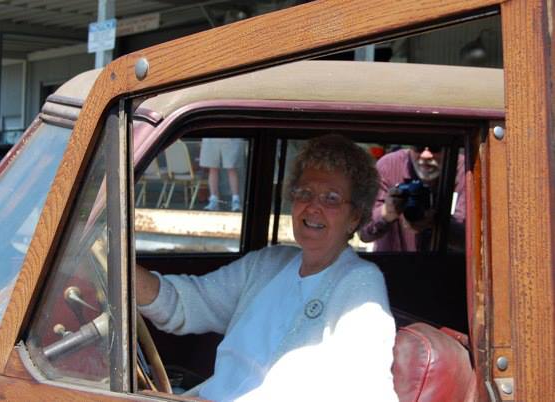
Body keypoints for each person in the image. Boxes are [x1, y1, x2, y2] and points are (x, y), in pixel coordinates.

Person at [136, 134, 398, 401]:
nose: (313, 207)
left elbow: (366, 388)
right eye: (304, 193)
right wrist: (123, 275)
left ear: (355, 216)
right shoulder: (268, 264)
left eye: (331, 198)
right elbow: (182, 305)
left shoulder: (360, 283)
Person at [359, 145, 465, 252]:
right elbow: (363, 233)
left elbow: (470, 239)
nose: (426, 155)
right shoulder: (388, 165)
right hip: (393, 260)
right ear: (411, 147)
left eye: (435, 148)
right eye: (419, 147)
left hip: (445, 261)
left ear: (447, 148)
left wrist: (436, 223)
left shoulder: (464, 170)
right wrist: (387, 212)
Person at [199, 138, 245, 211]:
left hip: (230, 138)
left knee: (231, 167)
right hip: (212, 138)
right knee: (212, 168)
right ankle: (214, 201)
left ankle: (236, 201)